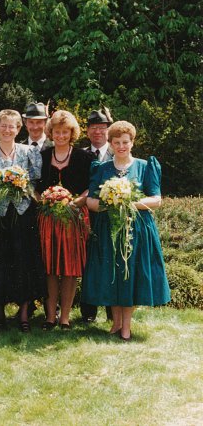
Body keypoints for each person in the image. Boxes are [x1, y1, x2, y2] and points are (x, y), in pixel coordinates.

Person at [82, 121, 170, 341]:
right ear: (110, 144)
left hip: (136, 229)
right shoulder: (101, 168)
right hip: (108, 229)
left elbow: (156, 199)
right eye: (117, 142)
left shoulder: (144, 166)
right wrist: (110, 203)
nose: (121, 146)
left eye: (125, 142)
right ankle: (116, 322)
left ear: (132, 142)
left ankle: (126, 327)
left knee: (130, 275)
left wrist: (128, 202)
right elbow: (91, 201)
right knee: (113, 273)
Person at [0, 109, 45, 332]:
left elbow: (35, 185)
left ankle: (23, 313)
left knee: (24, 264)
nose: (7, 130)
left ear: (18, 129)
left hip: (23, 216)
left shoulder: (30, 152)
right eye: (3, 126)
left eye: (11, 126)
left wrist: (21, 185)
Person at [36, 111, 94, 330]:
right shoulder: (42, 156)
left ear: (72, 133)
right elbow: (33, 187)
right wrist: (45, 200)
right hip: (48, 219)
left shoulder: (84, 157)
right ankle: (50, 316)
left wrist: (75, 202)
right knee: (50, 268)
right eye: (57, 132)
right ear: (51, 132)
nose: (61, 136)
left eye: (65, 132)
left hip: (73, 218)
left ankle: (65, 318)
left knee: (70, 268)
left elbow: (92, 187)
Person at [81, 107, 114, 322]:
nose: (98, 132)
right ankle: (88, 311)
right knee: (88, 262)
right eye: (93, 127)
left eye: (102, 128)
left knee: (111, 261)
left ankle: (112, 310)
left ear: (108, 130)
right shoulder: (80, 154)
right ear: (87, 131)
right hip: (86, 215)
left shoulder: (117, 151)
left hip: (111, 216)